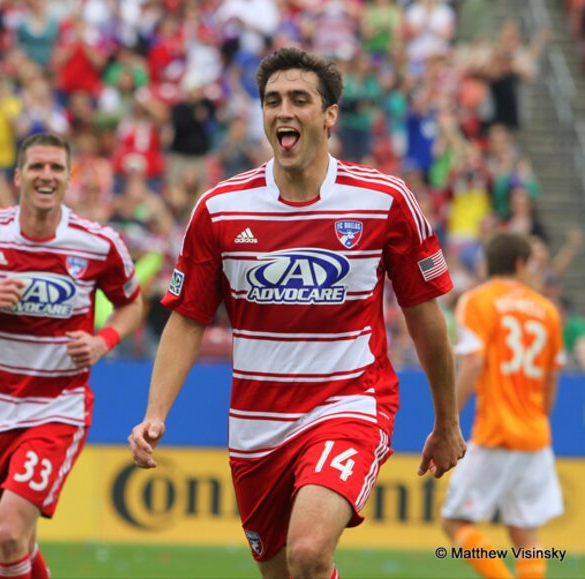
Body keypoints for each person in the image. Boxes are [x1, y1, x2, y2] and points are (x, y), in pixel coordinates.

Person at [128, 47, 466, 578]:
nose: (283, 112)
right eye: (272, 101)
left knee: (310, 552)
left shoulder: (385, 201)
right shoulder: (220, 209)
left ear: (330, 115)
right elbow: (189, 317)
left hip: (349, 404)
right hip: (255, 428)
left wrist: (447, 422)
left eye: (300, 100)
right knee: (287, 572)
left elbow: (425, 317)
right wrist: (156, 412)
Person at [0, 132, 143, 579]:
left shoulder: (97, 243)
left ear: (69, 177)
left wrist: (103, 342)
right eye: (38, 167)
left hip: (57, 408)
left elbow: (132, 303)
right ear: (19, 176)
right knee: (17, 544)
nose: (47, 176)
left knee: (6, 535)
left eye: (56, 168)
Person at [442, 232, 564, 579]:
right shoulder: (547, 310)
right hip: (535, 435)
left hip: (496, 431)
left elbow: (473, 363)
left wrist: (448, 418)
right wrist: (539, 419)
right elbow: (551, 379)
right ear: (520, 263)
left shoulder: (478, 300)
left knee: (454, 522)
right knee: (525, 533)